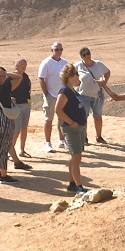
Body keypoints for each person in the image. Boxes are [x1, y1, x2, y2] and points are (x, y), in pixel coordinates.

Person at [53, 62, 90, 194]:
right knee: (76, 157)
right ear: (70, 76)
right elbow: (58, 110)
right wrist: (71, 122)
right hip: (71, 129)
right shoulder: (64, 91)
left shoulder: (72, 91)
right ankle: (78, 186)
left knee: (75, 157)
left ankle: (72, 184)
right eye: (76, 74)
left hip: (78, 128)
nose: (78, 77)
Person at [74, 47, 112, 144]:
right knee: (84, 117)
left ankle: (99, 136)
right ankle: (84, 138)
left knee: (98, 116)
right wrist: (75, 85)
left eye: (88, 53)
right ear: (81, 56)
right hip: (83, 95)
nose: (87, 56)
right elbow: (70, 76)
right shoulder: (78, 66)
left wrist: (104, 82)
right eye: (84, 55)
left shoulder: (98, 64)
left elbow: (107, 72)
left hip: (97, 95)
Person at [38, 42, 70, 153]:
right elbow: (41, 78)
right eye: (56, 49)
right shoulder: (46, 62)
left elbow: (69, 77)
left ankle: (62, 140)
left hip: (62, 95)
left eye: (61, 49)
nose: (59, 51)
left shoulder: (65, 62)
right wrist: (46, 93)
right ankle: (48, 143)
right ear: (52, 50)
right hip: (50, 94)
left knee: (62, 118)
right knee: (49, 119)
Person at [8, 57, 34, 165]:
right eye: (21, 64)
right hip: (16, 106)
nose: (24, 66)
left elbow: (28, 88)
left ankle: (22, 150)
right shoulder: (11, 77)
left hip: (26, 104)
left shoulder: (26, 76)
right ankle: (11, 151)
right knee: (16, 130)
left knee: (24, 128)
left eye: (25, 64)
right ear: (16, 65)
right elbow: (6, 90)